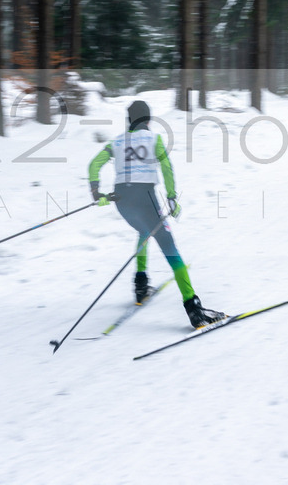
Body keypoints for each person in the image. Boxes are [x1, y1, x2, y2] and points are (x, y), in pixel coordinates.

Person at [88, 99, 225, 329]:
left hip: (122, 201)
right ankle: (194, 309)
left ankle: (141, 286)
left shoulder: (118, 141)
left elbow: (94, 165)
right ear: (148, 120)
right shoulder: (155, 139)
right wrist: (171, 197)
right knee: (170, 248)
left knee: (143, 230)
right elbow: (167, 168)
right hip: (146, 199)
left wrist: (96, 192)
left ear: (129, 120)